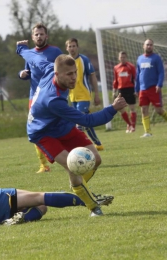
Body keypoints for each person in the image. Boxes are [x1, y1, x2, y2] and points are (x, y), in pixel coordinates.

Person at [16, 40, 127, 216]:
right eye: (69, 74)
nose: (74, 77)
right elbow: (87, 120)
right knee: (73, 167)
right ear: (57, 73)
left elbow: (32, 56)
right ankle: (93, 207)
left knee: (96, 159)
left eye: (75, 72)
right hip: (42, 132)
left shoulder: (47, 68)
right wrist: (112, 109)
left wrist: (21, 48)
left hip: (60, 124)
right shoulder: (53, 100)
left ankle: (77, 186)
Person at [18, 23, 62, 173]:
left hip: (52, 96)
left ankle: (67, 155)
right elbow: (28, 71)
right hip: (35, 98)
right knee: (36, 130)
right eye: (36, 34)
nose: (39, 36)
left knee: (61, 125)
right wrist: (22, 74)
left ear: (46, 36)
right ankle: (43, 165)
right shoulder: (30, 54)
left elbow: (63, 69)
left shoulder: (55, 51)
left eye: (41, 34)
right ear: (32, 37)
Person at [65, 38, 104, 151]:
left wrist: (96, 94)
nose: (72, 48)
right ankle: (98, 143)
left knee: (79, 124)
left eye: (74, 46)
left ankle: (79, 148)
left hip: (84, 95)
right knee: (85, 121)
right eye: (70, 46)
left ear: (77, 47)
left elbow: (92, 76)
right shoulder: (65, 61)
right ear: (66, 48)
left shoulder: (84, 60)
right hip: (72, 97)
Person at [135, 39, 167, 138]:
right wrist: (136, 89)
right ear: (143, 46)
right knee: (144, 110)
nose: (149, 46)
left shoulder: (156, 58)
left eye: (151, 45)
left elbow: (161, 72)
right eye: (147, 44)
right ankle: (147, 132)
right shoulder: (139, 59)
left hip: (154, 88)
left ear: (153, 46)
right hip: (143, 89)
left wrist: (159, 84)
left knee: (159, 110)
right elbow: (137, 75)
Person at [113, 51, 137, 133]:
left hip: (130, 89)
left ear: (126, 58)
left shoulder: (131, 66)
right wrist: (114, 91)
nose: (122, 59)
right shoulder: (116, 68)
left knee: (132, 108)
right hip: (121, 90)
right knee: (121, 109)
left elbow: (135, 78)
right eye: (121, 57)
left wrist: (136, 90)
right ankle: (129, 124)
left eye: (124, 57)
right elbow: (116, 80)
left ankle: (133, 127)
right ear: (118, 58)